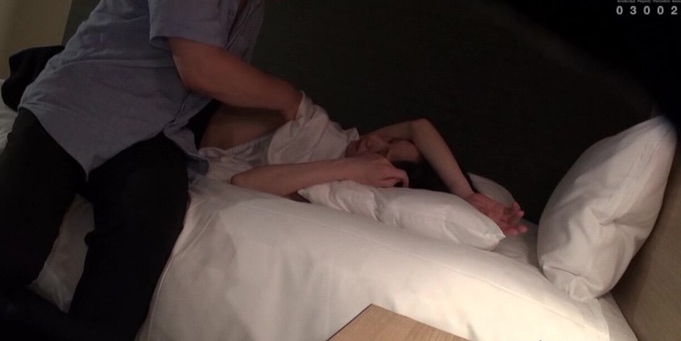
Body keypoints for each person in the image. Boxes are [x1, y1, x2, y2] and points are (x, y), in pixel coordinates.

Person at [0, 0, 333, 341]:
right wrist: (289, 99)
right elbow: (200, 67)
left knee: (146, 229)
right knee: (4, 255)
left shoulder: (251, 7)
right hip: (79, 103)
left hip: (150, 136)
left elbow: (214, 98)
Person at [200, 95, 528, 236]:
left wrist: (353, 169)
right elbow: (419, 127)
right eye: (388, 139)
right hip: (213, 102)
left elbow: (245, 183)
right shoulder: (353, 143)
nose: (374, 140)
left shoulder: (334, 185)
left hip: (197, 126)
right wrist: (465, 193)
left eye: (382, 153)